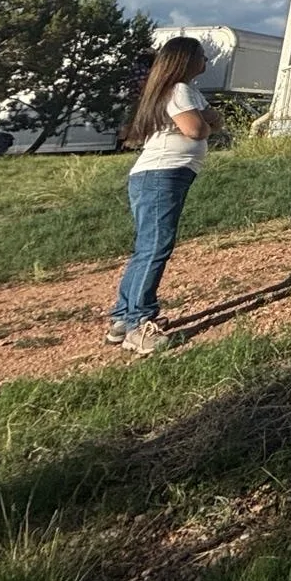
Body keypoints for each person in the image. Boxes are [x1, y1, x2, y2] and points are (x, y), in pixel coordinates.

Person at [107, 35, 220, 357]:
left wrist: (206, 121)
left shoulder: (184, 90)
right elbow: (197, 129)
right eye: (202, 56)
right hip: (162, 174)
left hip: (161, 174)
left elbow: (213, 119)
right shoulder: (180, 91)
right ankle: (138, 325)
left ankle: (122, 317)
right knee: (155, 247)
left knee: (148, 246)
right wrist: (205, 124)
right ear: (186, 60)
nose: (207, 62)